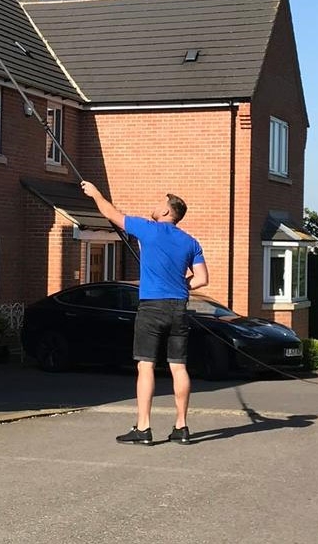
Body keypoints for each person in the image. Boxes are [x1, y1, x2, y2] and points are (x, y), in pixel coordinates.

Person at [79, 180, 208, 445]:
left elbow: (111, 214)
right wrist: (180, 285)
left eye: (160, 203)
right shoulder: (190, 242)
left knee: (146, 366)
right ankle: (181, 427)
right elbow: (202, 278)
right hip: (179, 308)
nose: (156, 205)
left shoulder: (147, 229)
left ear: (166, 212)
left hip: (151, 308)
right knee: (178, 366)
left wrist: (95, 193)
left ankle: (144, 428)